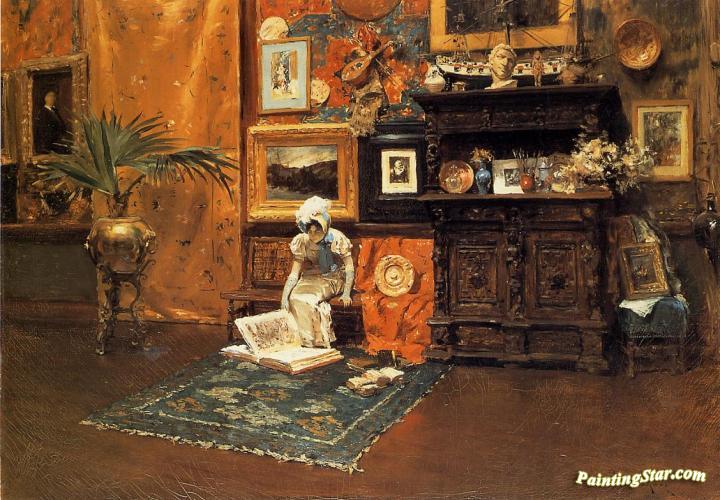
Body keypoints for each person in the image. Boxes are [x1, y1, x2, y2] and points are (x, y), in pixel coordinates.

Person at [280, 196, 355, 348]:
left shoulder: (336, 238)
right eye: (310, 230)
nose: (313, 234)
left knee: (308, 299)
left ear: (324, 226)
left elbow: (349, 267)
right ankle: (300, 342)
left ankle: (314, 342)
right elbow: (294, 273)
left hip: (334, 277)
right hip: (310, 277)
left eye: (317, 230)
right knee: (294, 298)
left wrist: (347, 293)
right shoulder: (302, 241)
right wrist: (284, 297)